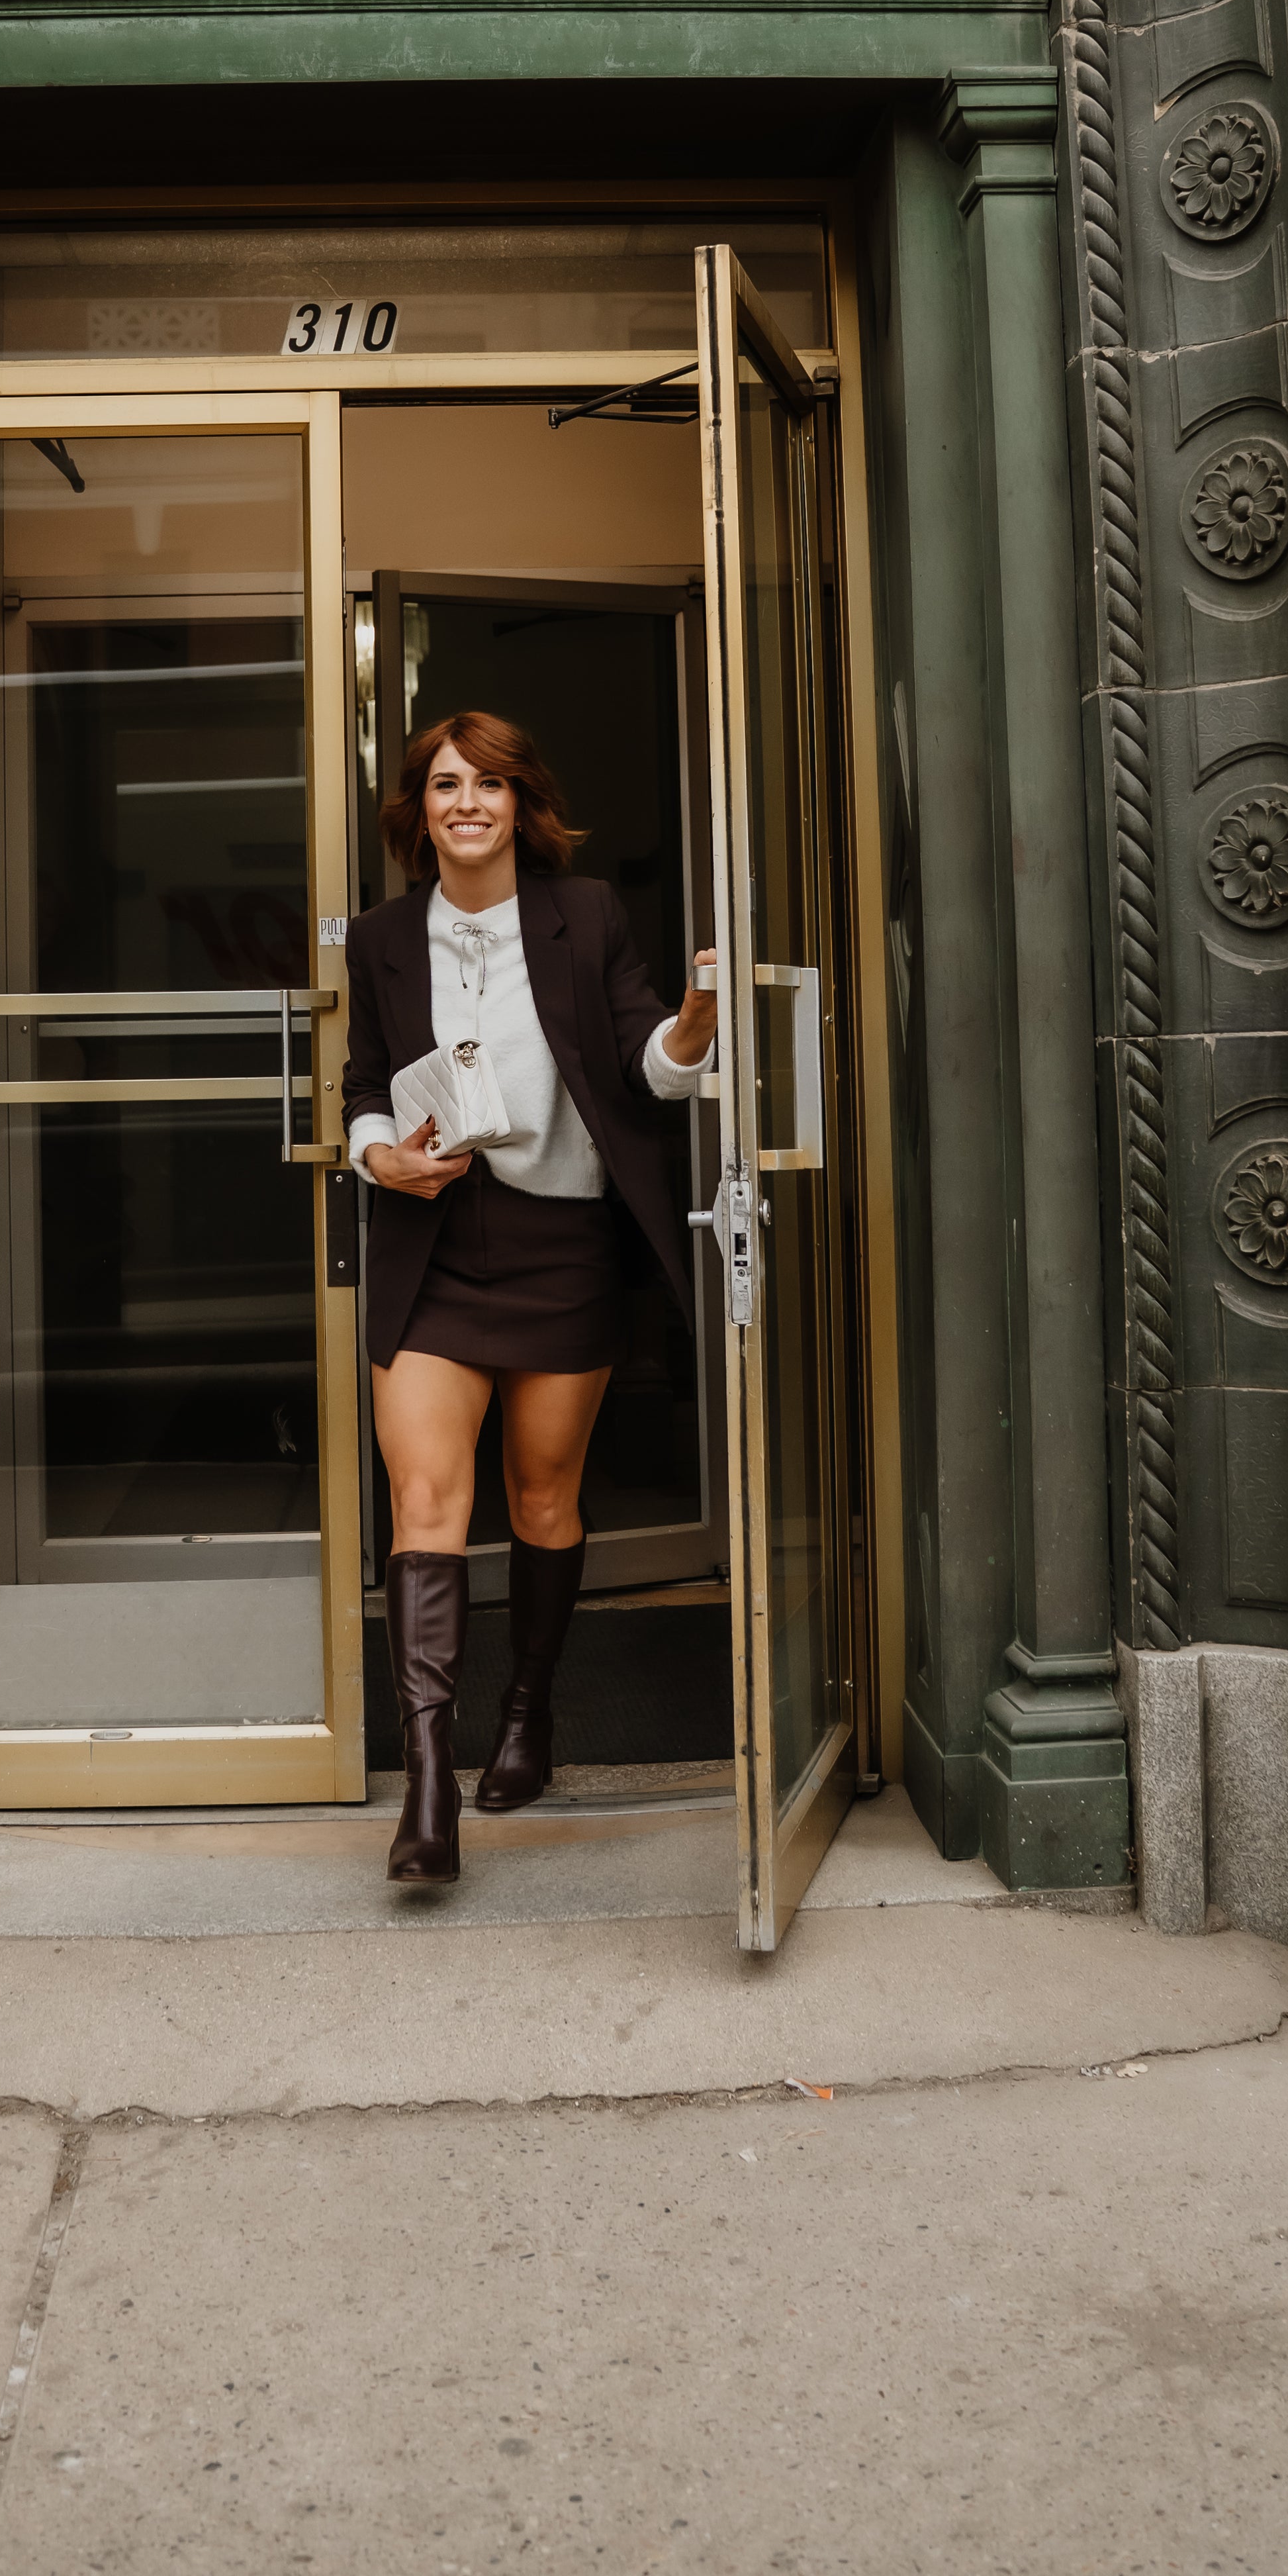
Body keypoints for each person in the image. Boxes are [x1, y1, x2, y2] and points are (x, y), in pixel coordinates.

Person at [344, 709, 717, 1885]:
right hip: (435, 1244)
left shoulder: (585, 914)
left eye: (492, 784)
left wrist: (695, 1028)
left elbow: (644, 1063)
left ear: (521, 805)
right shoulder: (383, 937)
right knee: (426, 1503)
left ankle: (527, 1715)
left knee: (543, 1498)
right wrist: (376, 1156)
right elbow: (362, 1083)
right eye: (447, 784)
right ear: (420, 810)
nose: (469, 802)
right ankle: (427, 1792)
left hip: (564, 1248)